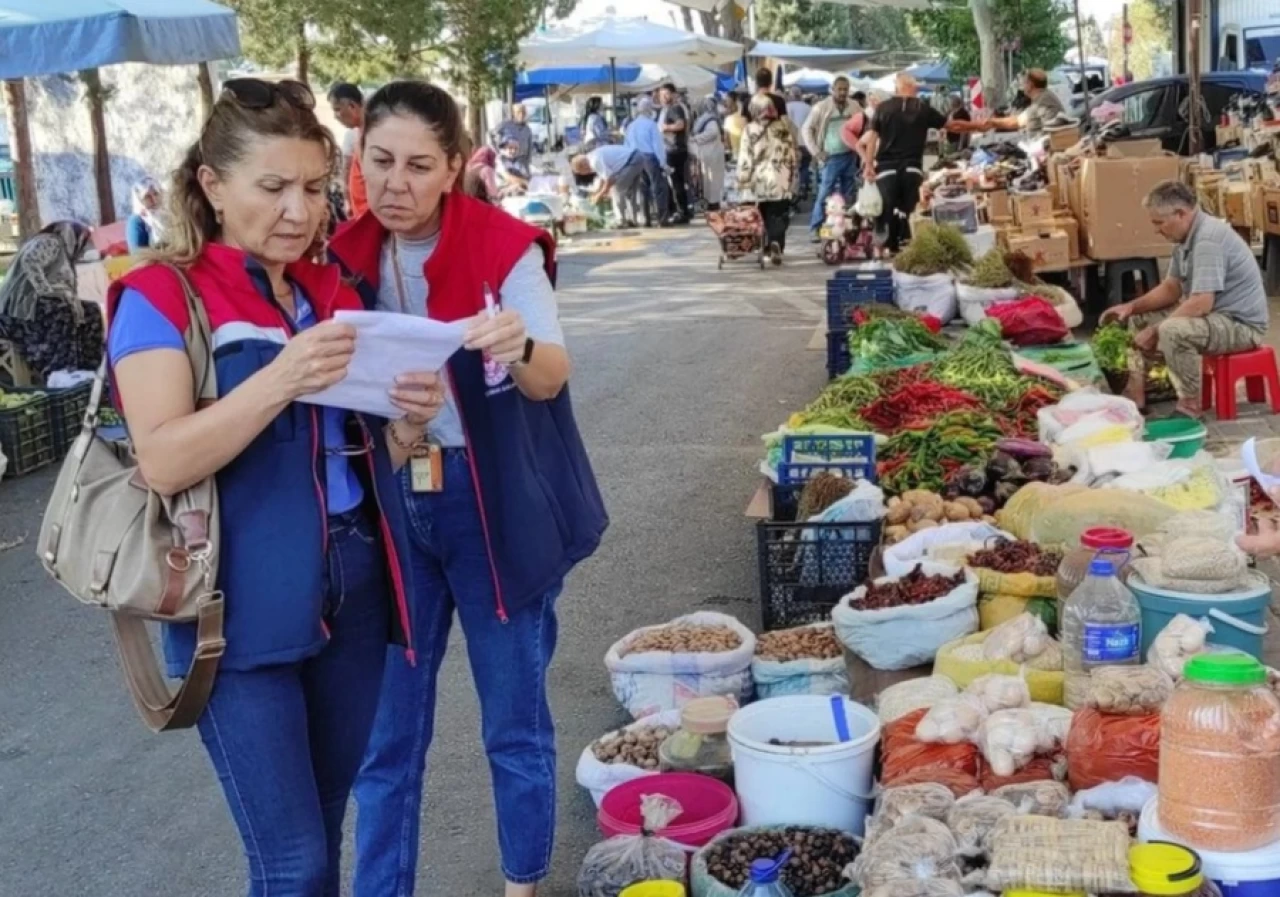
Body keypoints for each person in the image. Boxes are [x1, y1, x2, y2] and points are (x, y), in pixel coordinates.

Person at [103, 77, 438, 897]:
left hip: (354, 596)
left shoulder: (333, 295)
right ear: (212, 187)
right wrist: (281, 377)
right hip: (232, 613)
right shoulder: (159, 295)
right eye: (274, 187)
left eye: (316, 188)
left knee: (321, 834)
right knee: (293, 863)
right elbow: (164, 460)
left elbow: (349, 468)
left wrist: (401, 429)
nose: (300, 210)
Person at [327, 80, 606, 897]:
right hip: (393, 508)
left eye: (419, 165)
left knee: (512, 723)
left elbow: (551, 377)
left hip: (491, 511)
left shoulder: (502, 248)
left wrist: (516, 344)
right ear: (359, 157)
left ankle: (522, 884)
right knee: (387, 738)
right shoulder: (342, 256)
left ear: (454, 165)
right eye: (380, 161)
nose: (396, 184)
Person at [1100, 180, 1269, 418]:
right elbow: (1171, 288)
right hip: (1215, 317)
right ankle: (1135, 395)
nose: (1157, 230)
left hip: (1240, 326)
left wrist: (1157, 330)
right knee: (1138, 319)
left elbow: (1201, 303)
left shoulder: (1207, 240)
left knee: (1173, 330)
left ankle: (1190, 405)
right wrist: (1131, 306)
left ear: (1180, 214)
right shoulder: (1186, 239)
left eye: (1159, 223)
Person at [858, 73, 984, 255]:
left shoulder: (883, 109)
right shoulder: (923, 108)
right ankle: (913, 247)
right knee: (912, 209)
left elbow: (872, 138)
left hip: (886, 168)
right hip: (912, 168)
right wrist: (978, 126)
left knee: (885, 208)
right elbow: (952, 126)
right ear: (913, 88)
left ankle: (882, 249)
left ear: (897, 87)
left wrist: (869, 165)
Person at [0, 221, 102, 379]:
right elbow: (30, 261)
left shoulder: (61, 252)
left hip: (31, 310)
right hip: (17, 314)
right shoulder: (52, 242)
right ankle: (60, 371)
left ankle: (88, 369)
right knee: (62, 311)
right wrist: (46, 291)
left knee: (89, 310)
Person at [738, 93, 798, 266]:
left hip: (760, 180)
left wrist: (742, 179)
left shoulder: (750, 129)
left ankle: (765, 247)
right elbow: (791, 153)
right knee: (779, 213)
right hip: (781, 177)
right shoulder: (783, 127)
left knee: (763, 213)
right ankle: (776, 243)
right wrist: (792, 174)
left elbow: (745, 158)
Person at [803, 76, 861, 242]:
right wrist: (816, 152)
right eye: (840, 89)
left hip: (850, 156)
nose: (843, 92)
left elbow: (864, 125)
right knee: (824, 194)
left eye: (845, 89)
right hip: (830, 158)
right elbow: (806, 129)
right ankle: (816, 228)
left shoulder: (854, 106)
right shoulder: (821, 107)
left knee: (849, 194)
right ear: (833, 90)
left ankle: (846, 228)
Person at [571, 144, 646, 226]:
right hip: (636, 157)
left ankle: (621, 220)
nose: (586, 173)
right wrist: (598, 191)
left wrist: (599, 194)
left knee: (617, 189)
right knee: (630, 192)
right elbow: (603, 177)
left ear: (583, 166)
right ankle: (633, 220)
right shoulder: (592, 156)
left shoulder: (594, 161)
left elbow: (610, 179)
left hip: (631, 161)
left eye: (583, 172)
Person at [624, 96, 670, 227]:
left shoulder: (631, 126)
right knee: (658, 188)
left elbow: (626, 144)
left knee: (642, 189)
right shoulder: (651, 125)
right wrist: (663, 163)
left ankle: (646, 219)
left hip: (634, 157)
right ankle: (662, 219)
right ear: (649, 109)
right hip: (649, 157)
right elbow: (658, 146)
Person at [986, 69, 1068, 135]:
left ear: (1030, 85)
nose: (1023, 87)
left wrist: (990, 122)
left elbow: (1016, 122)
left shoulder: (1042, 100)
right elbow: (1022, 118)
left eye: (1025, 83)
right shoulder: (1044, 96)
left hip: (1049, 145)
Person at [329, 82, 368, 217]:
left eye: (337, 109)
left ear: (352, 106)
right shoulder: (359, 133)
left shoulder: (373, 135)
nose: (335, 116)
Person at [658, 82, 692, 224]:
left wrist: (665, 127)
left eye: (666, 94)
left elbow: (681, 125)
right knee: (676, 182)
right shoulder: (667, 109)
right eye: (662, 95)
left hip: (675, 150)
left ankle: (682, 211)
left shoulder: (675, 108)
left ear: (673, 94)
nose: (664, 97)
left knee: (676, 183)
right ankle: (682, 210)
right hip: (672, 149)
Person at [690, 97, 726, 211]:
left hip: (712, 153)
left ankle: (713, 203)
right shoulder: (707, 119)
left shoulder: (710, 120)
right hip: (710, 153)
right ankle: (710, 202)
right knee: (709, 179)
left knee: (712, 180)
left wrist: (696, 138)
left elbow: (713, 132)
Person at [126, 177, 169, 251]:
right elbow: (139, 253)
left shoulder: (168, 216)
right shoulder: (137, 220)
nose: (153, 199)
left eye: (156, 194)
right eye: (147, 196)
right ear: (139, 200)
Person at [785, 87, 813, 200]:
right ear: (801, 95)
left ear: (791, 95)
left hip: (792, 143)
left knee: (793, 170)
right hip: (806, 143)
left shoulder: (787, 107)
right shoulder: (808, 108)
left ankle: (795, 192)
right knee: (805, 167)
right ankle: (803, 187)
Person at [492, 102, 534, 171]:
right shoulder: (506, 124)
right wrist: (497, 150)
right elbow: (491, 134)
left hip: (522, 161)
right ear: (514, 113)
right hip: (507, 161)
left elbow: (529, 148)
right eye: (518, 112)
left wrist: (528, 162)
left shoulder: (527, 129)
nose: (521, 115)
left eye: (523, 113)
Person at [723, 91, 748, 161]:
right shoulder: (747, 117)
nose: (727, 106)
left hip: (737, 156)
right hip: (749, 154)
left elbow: (727, 142)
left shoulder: (728, 120)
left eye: (729, 104)